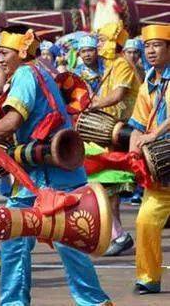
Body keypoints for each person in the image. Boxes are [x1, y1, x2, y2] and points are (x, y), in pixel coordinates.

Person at [0, 29, 111, 306]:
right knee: (15, 238)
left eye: (4, 53)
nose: (0, 59)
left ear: (22, 52)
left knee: (68, 242)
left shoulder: (27, 74)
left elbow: (14, 120)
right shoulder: (35, 73)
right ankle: (15, 303)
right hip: (37, 175)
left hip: (51, 176)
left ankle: (94, 302)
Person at [74, 25, 140, 256]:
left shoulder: (121, 63)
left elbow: (119, 94)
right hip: (110, 133)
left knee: (104, 186)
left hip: (125, 132)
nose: (98, 45)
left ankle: (118, 235)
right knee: (106, 187)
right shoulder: (109, 66)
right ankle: (116, 235)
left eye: (101, 40)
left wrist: (93, 105)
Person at [128, 24, 170, 295]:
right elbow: (138, 125)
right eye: (148, 46)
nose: (151, 51)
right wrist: (133, 155)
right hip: (162, 167)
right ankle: (148, 277)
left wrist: (154, 134)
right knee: (145, 221)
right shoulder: (148, 85)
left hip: (162, 146)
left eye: (157, 45)